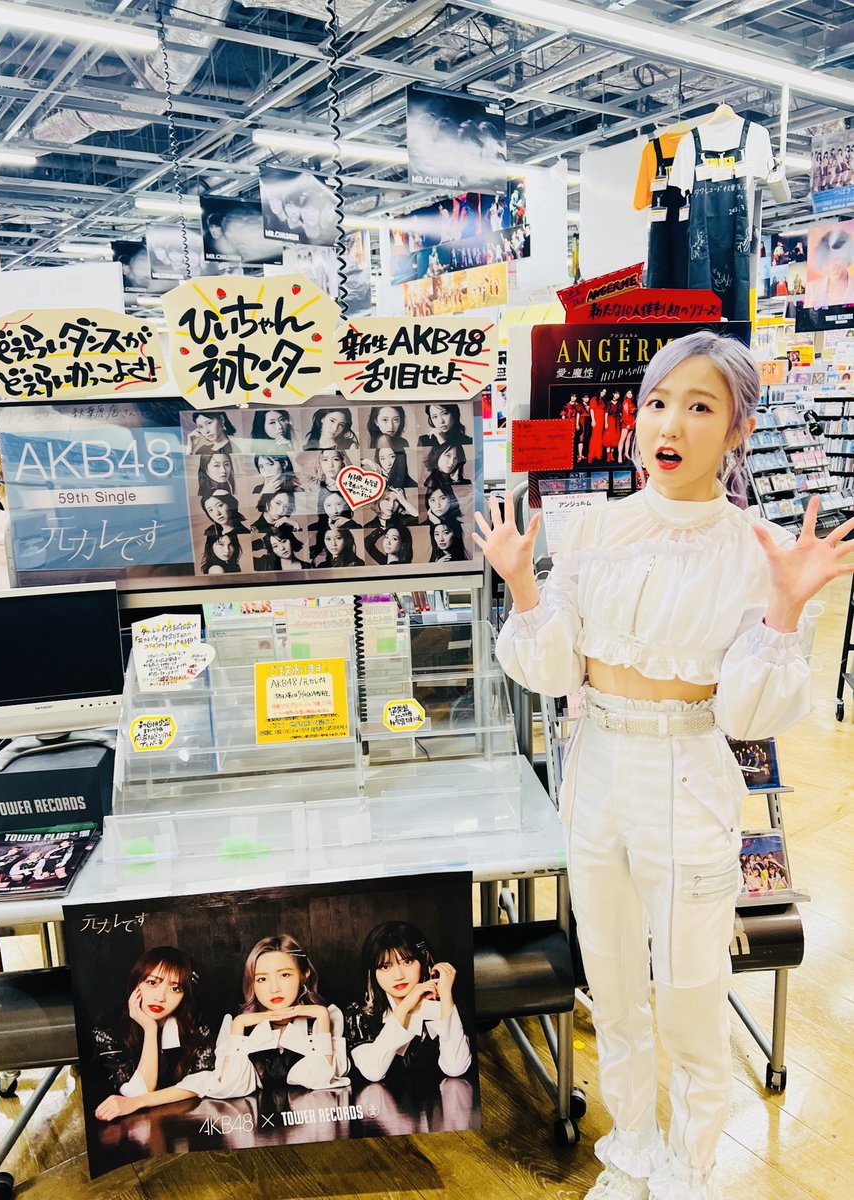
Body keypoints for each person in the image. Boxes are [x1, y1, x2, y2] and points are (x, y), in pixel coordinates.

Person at [475, 329, 853, 1200]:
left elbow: (746, 714)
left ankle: (689, 1170)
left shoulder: (758, 549)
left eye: (700, 406)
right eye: (656, 402)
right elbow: (553, 670)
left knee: (690, 991)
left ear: (739, 429)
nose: (670, 424)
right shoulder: (592, 527)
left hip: (689, 775)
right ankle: (632, 1152)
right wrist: (524, 586)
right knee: (611, 984)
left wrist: (784, 609)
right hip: (595, 767)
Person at [204, 934, 348, 1096]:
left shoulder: (326, 1018)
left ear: (304, 975)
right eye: (262, 979)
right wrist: (239, 1025)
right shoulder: (236, 1024)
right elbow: (229, 1086)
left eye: (284, 975)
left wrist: (321, 1015)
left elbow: (321, 1080)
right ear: (252, 983)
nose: (274, 989)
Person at [93, 947, 214, 1121]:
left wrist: (142, 1101)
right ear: (136, 983)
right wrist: (150, 1030)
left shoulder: (194, 1025)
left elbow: (203, 1080)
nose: (160, 997)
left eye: (175, 988)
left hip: (181, 1122)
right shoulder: (108, 1029)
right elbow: (136, 1092)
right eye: (152, 983)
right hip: (128, 1128)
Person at [344, 921, 471, 1084]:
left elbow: (456, 1068)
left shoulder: (450, 1003)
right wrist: (405, 1007)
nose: (399, 976)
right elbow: (373, 1072)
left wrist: (446, 995)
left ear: (424, 960)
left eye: (407, 961)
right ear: (372, 972)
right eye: (385, 966)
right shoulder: (359, 1014)